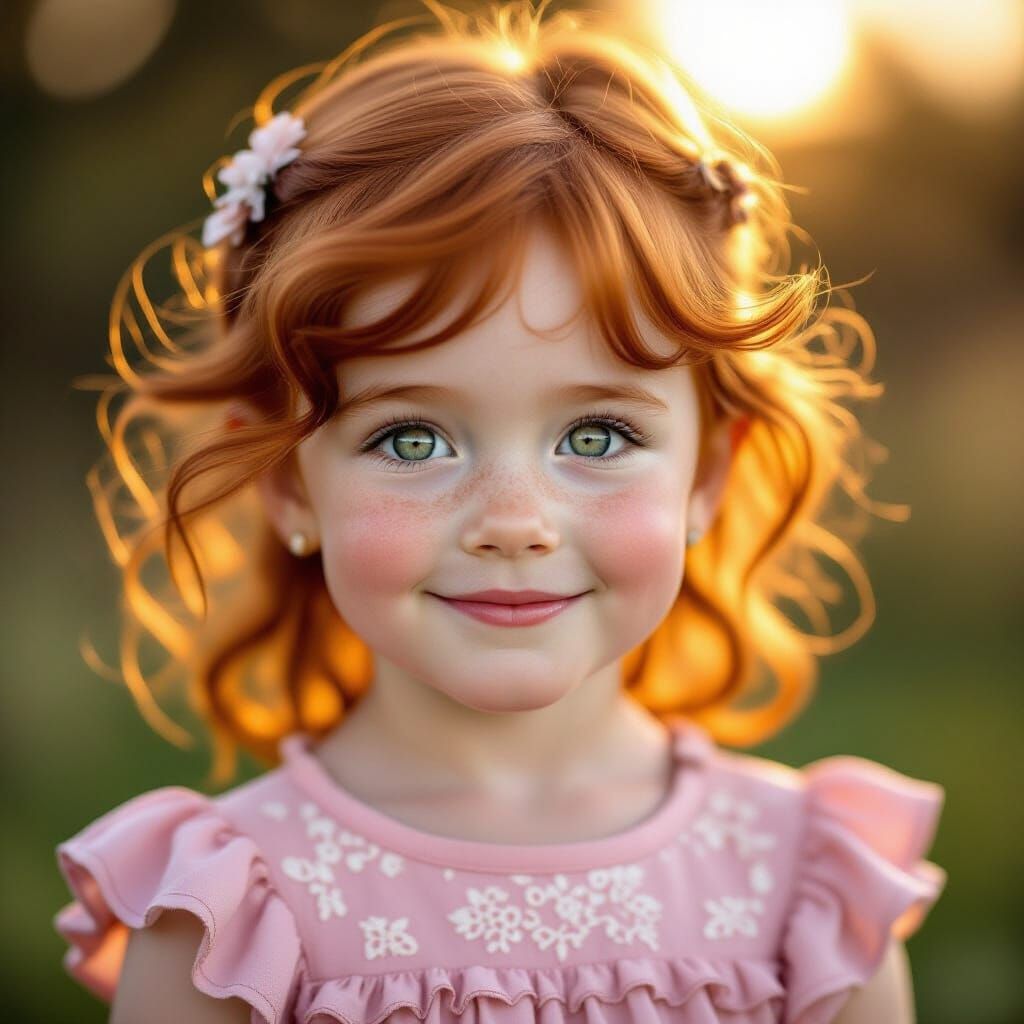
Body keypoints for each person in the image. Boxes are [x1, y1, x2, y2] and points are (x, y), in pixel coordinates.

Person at [53, 2, 945, 1022]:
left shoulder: (808, 888)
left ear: (706, 475)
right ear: (292, 481)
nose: (513, 520)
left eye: (597, 436)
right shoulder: (230, 913)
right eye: (412, 438)